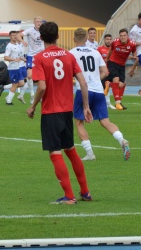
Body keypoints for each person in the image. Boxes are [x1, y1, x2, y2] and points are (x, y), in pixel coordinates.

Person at [26, 21, 93, 205]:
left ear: (40, 37)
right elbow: (83, 83)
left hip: (50, 112)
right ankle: (85, 192)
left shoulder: (39, 58)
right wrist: (86, 107)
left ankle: (69, 196)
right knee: (70, 150)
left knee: (55, 152)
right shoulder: (69, 56)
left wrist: (32, 106)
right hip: (67, 111)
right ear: (57, 36)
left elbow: (41, 86)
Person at [70, 28, 130, 161]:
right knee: (105, 121)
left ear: (74, 39)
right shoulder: (95, 52)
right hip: (98, 90)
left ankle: (90, 154)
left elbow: (69, 73)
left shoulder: (71, 53)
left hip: (83, 90)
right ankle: (122, 140)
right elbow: (105, 71)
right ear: (86, 39)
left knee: (79, 122)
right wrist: (96, 79)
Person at [105, 28, 137, 110]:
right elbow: (110, 50)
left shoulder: (132, 44)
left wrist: (134, 56)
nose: (123, 37)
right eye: (121, 36)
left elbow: (134, 52)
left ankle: (109, 84)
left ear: (127, 36)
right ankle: (117, 103)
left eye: (124, 35)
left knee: (121, 84)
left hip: (122, 65)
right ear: (119, 36)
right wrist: (107, 59)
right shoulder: (115, 42)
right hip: (113, 62)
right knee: (116, 79)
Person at [20, 16, 44, 104]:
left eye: (40, 21)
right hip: (31, 56)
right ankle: (32, 95)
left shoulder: (44, 31)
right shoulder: (30, 30)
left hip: (41, 56)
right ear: (34, 23)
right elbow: (19, 35)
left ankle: (26, 95)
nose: (39, 23)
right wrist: (22, 41)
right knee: (29, 76)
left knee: (41, 78)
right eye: (37, 21)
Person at [4, 31, 27, 105]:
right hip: (13, 68)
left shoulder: (17, 45)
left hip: (18, 67)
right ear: (10, 37)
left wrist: (22, 58)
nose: (14, 37)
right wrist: (14, 59)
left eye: (15, 35)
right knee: (14, 84)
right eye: (13, 35)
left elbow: (18, 55)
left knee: (22, 83)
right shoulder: (9, 46)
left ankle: (4, 88)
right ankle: (8, 101)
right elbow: (5, 57)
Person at [96, 34, 116, 110]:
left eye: (110, 39)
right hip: (101, 72)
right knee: (100, 87)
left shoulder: (113, 49)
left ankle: (108, 103)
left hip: (110, 71)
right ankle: (100, 103)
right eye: (107, 39)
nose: (109, 41)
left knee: (108, 86)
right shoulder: (99, 49)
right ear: (104, 40)